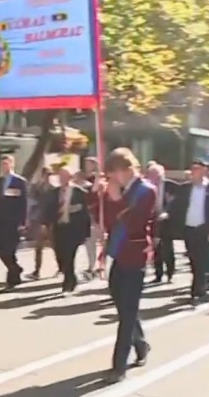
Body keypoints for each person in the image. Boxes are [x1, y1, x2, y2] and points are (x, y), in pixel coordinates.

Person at [100, 148, 156, 383]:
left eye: (115, 173)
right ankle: (141, 343)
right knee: (123, 306)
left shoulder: (146, 191)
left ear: (126, 169)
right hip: (118, 253)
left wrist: (116, 199)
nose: (113, 179)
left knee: (128, 311)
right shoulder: (119, 190)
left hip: (135, 254)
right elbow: (108, 220)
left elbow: (134, 222)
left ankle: (119, 365)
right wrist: (102, 197)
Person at [170, 159, 209, 302]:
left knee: (202, 259)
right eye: (193, 169)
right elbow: (176, 208)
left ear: (205, 170)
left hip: (204, 229)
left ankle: (198, 290)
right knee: (193, 259)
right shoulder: (184, 188)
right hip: (189, 228)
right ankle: (199, 285)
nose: (195, 172)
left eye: (198, 169)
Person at [50, 163, 92, 294]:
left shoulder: (79, 192)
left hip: (73, 228)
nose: (62, 178)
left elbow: (85, 212)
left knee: (69, 255)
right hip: (59, 227)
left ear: (70, 177)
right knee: (60, 255)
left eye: (64, 176)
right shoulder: (53, 193)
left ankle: (68, 283)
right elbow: (47, 210)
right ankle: (70, 276)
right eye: (60, 176)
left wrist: (86, 231)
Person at [0, 154, 28, 289]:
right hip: (1, 219)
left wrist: (23, 222)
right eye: (3, 164)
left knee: (10, 249)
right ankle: (15, 268)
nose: (4, 167)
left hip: (13, 220)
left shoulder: (19, 181)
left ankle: (12, 278)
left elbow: (24, 203)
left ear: (12, 164)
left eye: (7, 164)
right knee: (1, 250)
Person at [147, 163, 178, 283]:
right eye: (151, 175)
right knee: (156, 249)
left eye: (155, 175)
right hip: (153, 220)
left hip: (167, 221)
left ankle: (170, 272)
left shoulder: (171, 186)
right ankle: (158, 274)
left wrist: (168, 212)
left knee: (167, 248)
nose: (153, 178)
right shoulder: (147, 187)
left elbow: (177, 203)